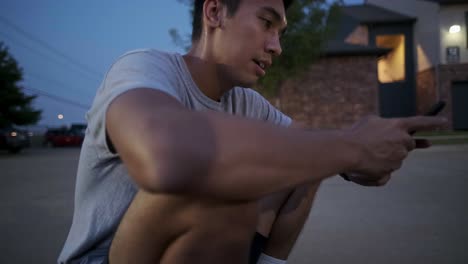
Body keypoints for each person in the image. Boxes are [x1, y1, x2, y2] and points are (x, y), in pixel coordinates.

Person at [58, 0, 447, 263]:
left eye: (281, 32)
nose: (276, 46)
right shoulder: (145, 68)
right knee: (221, 182)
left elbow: (313, 149)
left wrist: (364, 157)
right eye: (266, 23)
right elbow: (168, 159)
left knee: (304, 160)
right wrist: (351, 146)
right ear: (214, 12)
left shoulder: (245, 102)